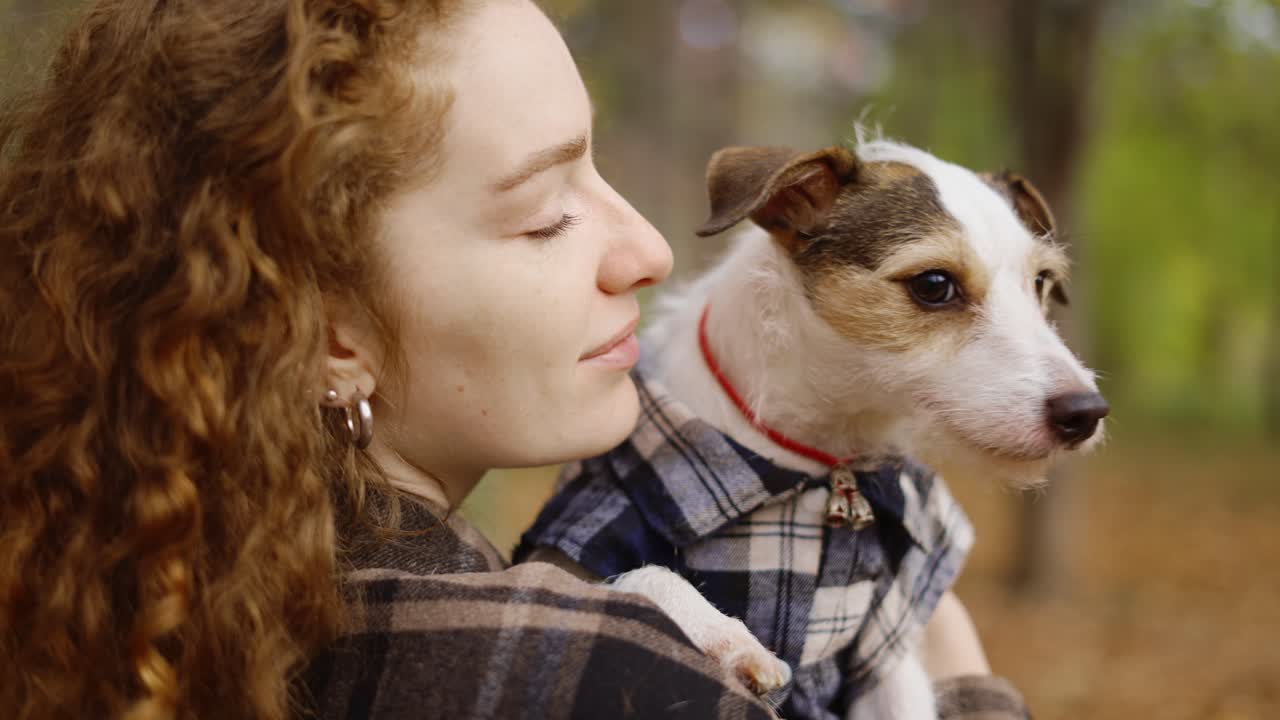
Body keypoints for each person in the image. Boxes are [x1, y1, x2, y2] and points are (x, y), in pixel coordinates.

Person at [0, 0, 1025, 718]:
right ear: (330, 334)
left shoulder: (145, 609)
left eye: (599, 164)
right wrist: (958, 669)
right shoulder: (615, 678)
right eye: (544, 217)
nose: (648, 251)